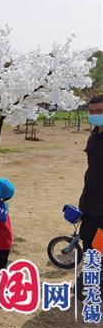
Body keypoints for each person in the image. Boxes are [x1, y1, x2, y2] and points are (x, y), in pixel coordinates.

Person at [78, 94, 103, 251]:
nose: (95, 115)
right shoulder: (93, 136)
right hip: (89, 206)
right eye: (92, 112)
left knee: (99, 250)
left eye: (100, 111)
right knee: (89, 246)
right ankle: (89, 275)